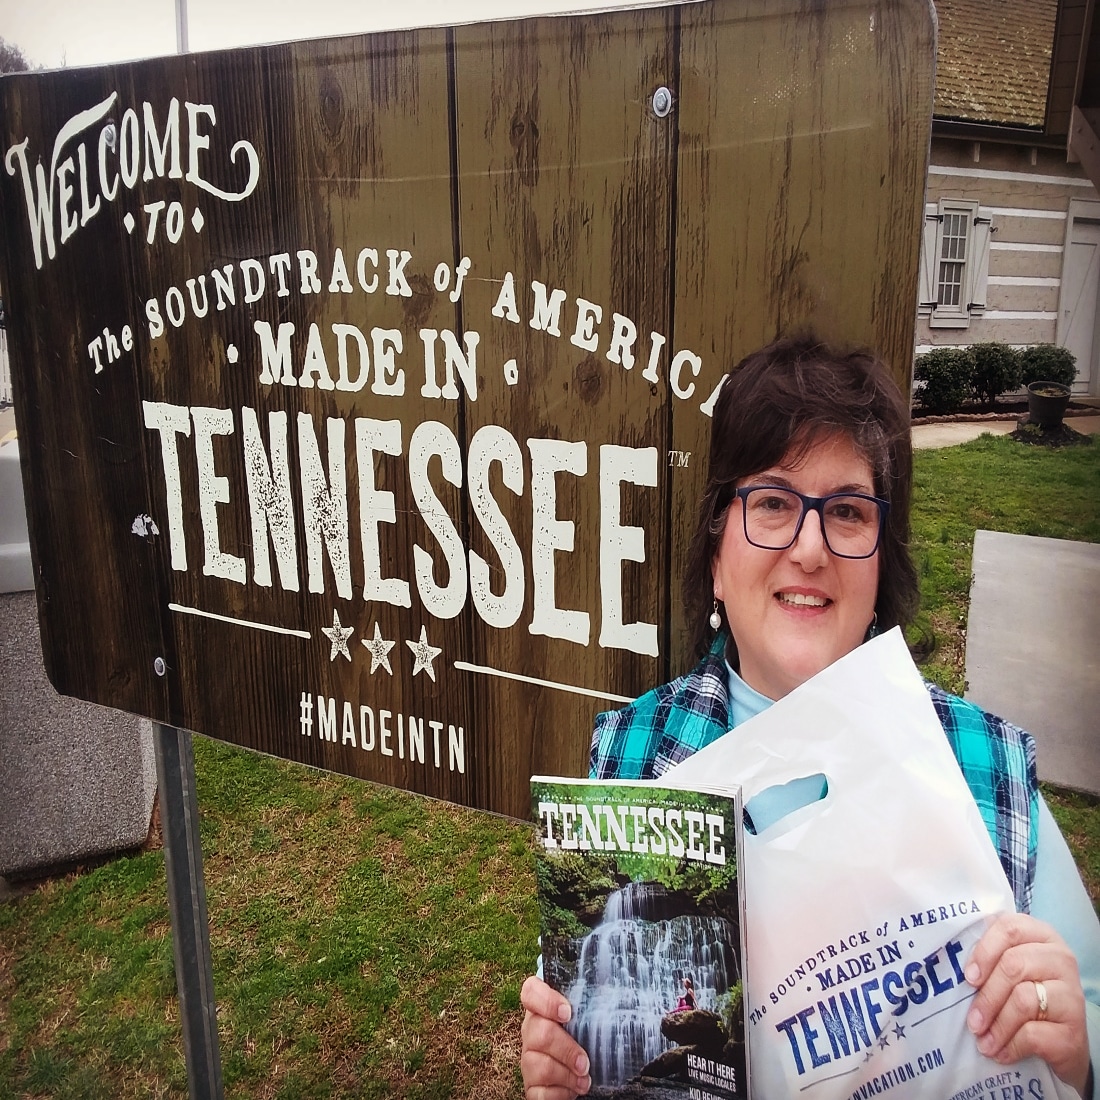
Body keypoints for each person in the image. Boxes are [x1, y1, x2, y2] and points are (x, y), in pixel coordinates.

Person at [520, 336, 1100, 1100]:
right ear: (717, 556)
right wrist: (562, 1067)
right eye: (772, 503)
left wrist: (1077, 1052)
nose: (810, 547)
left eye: (848, 512)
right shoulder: (628, 756)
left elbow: (1084, 1012)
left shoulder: (979, 760)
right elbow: (582, 1017)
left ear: (881, 560)